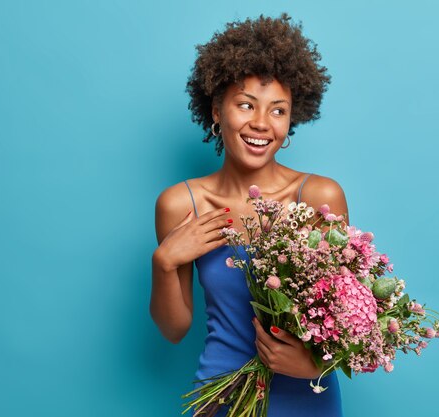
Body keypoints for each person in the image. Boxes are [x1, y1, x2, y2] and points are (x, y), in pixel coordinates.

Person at [150, 14, 348, 416]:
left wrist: (317, 363)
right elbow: (174, 330)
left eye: (278, 110)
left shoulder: (319, 197)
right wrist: (165, 261)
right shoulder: (181, 203)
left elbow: (346, 317)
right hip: (220, 394)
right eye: (245, 105)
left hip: (306, 395)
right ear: (217, 111)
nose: (261, 124)